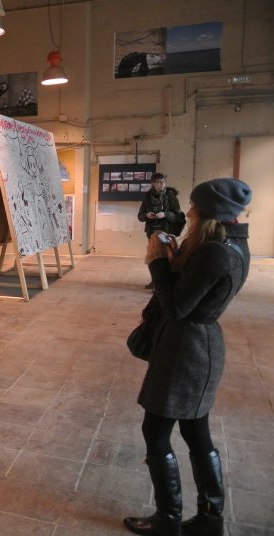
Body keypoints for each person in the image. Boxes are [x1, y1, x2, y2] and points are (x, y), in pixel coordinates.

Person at [123, 178, 253, 536]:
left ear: (208, 212)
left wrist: (157, 263)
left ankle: (168, 518)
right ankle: (210, 520)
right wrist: (176, 255)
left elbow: (177, 306)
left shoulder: (215, 252)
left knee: (155, 430)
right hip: (197, 346)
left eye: (195, 206)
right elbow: (195, 289)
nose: (190, 211)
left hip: (186, 351)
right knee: (196, 432)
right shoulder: (230, 243)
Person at [138, 173, 182, 288]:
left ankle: (166, 283)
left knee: (167, 258)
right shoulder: (147, 197)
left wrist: (165, 214)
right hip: (152, 232)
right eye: (158, 182)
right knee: (153, 257)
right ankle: (155, 281)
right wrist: (147, 215)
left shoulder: (170, 196)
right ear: (153, 184)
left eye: (163, 182)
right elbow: (140, 216)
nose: (161, 184)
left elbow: (178, 216)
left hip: (166, 231)